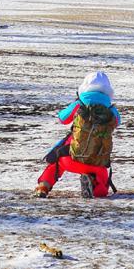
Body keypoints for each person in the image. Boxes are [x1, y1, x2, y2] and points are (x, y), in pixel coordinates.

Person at [34, 70, 120, 199]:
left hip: (72, 157)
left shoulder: (80, 103)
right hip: (97, 160)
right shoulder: (111, 110)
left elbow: (63, 118)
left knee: (57, 162)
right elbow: (117, 123)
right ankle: (93, 185)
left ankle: (44, 186)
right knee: (102, 177)